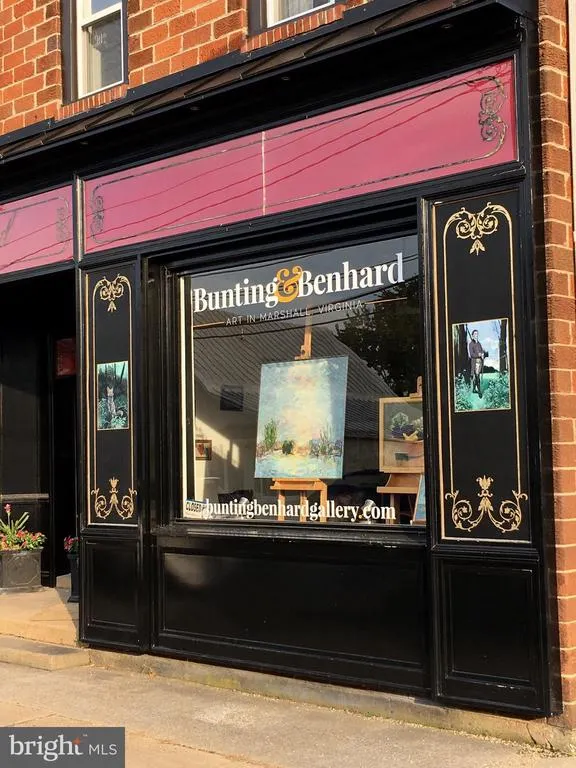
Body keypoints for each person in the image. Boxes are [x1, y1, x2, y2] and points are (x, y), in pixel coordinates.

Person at [468, 329, 487, 398]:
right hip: (474, 362)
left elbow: (481, 351)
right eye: (475, 334)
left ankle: (473, 389)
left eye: (477, 334)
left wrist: (483, 354)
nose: (476, 335)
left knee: (477, 376)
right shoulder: (471, 344)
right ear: (472, 335)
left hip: (479, 362)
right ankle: (479, 391)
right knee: (477, 376)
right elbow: (471, 354)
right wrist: (478, 355)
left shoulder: (479, 343)